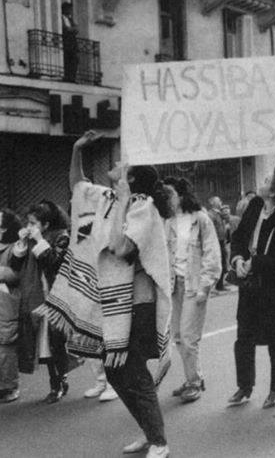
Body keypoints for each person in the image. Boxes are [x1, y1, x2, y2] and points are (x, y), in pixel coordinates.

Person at [37, 131, 173, 458]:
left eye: (120, 164)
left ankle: (159, 442)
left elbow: (120, 247)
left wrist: (125, 199)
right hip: (114, 307)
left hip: (137, 304)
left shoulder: (143, 208)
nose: (113, 163)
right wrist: (76, 149)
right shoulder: (110, 198)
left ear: (132, 179)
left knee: (133, 372)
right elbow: (77, 186)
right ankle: (149, 432)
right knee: (114, 370)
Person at [228, 170, 275, 409]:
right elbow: (238, 238)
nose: (262, 182)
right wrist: (237, 259)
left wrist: (255, 263)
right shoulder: (255, 205)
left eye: (267, 181)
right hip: (249, 284)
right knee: (243, 337)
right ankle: (244, 386)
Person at [163, 177, 221, 403]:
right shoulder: (167, 221)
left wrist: (206, 286)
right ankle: (192, 378)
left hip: (194, 283)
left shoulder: (200, 219)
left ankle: (194, 382)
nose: (167, 198)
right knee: (178, 335)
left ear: (182, 194)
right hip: (173, 284)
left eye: (170, 193)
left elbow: (212, 254)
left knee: (189, 336)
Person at [10, 201, 71, 404]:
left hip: (58, 296)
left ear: (45, 224)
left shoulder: (62, 237)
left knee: (57, 341)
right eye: (28, 223)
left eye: (33, 223)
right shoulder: (32, 238)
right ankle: (57, 381)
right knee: (45, 344)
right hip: (38, 296)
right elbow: (16, 266)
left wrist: (38, 241)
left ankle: (61, 381)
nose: (29, 227)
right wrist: (20, 245)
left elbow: (54, 264)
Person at [0, 208, 22, 403]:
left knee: (6, 344)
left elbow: (17, 274)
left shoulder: (16, 247)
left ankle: (9, 386)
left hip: (6, 300)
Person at [207, 196, 228, 291]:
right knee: (220, 262)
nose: (221, 202)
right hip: (217, 241)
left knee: (223, 261)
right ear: (213, 203)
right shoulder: (211, 215)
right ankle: (218, 285)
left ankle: (221, 283)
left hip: (221, 240)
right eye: (219, 201)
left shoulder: (218, 214)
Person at [61, 2, 78, 82]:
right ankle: (67, 77)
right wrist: (71, 29)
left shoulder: (70, 19)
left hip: (72, 42)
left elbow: (76, 29)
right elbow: (66, 29)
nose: (70, 10)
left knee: (74, 59)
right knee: (67, 59)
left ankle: (72, 77)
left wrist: (71, 29)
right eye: (69, 9)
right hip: (66, 42)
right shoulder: (61, 18)